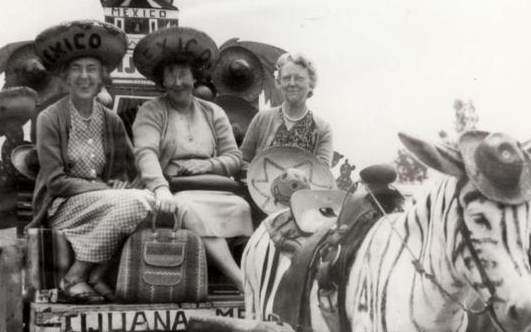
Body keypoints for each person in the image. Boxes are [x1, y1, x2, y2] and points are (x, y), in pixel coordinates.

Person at [28, 20, 157, 304]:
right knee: (138, 202)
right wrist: (105, 190)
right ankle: (76, 276)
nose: (84, 77)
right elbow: (55, 181)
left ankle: (97, 276)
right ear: (65, 77)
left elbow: (135, 165)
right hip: (62, 206)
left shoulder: (110, 119)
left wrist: (124, 183)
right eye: (76, 69)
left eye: (91, 70)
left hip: (102, 204)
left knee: (144, 200)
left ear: (101, 77)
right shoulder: (50, 118)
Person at [131, 27, 249, 290]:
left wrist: (207, 164)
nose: (177, 82)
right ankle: (239, 280)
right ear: (162, 81)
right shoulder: (151, 111)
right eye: (170, 75)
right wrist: (161, 189)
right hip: (172, 189)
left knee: (241, 208)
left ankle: (210, 274)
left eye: (183, 74)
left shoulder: (213, 111)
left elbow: (234, 157)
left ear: (194, 77)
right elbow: (145, 152)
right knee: (190, 209)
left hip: (214, 188)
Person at [240, 52, 334, 169]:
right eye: (286, 78)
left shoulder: (323, 130)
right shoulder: (261, 119)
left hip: (304, 187)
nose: (292, 83)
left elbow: (322, 174)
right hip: (258, 186)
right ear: (278, 82)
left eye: (299, 78)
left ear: (311, 84)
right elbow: (243, 160)